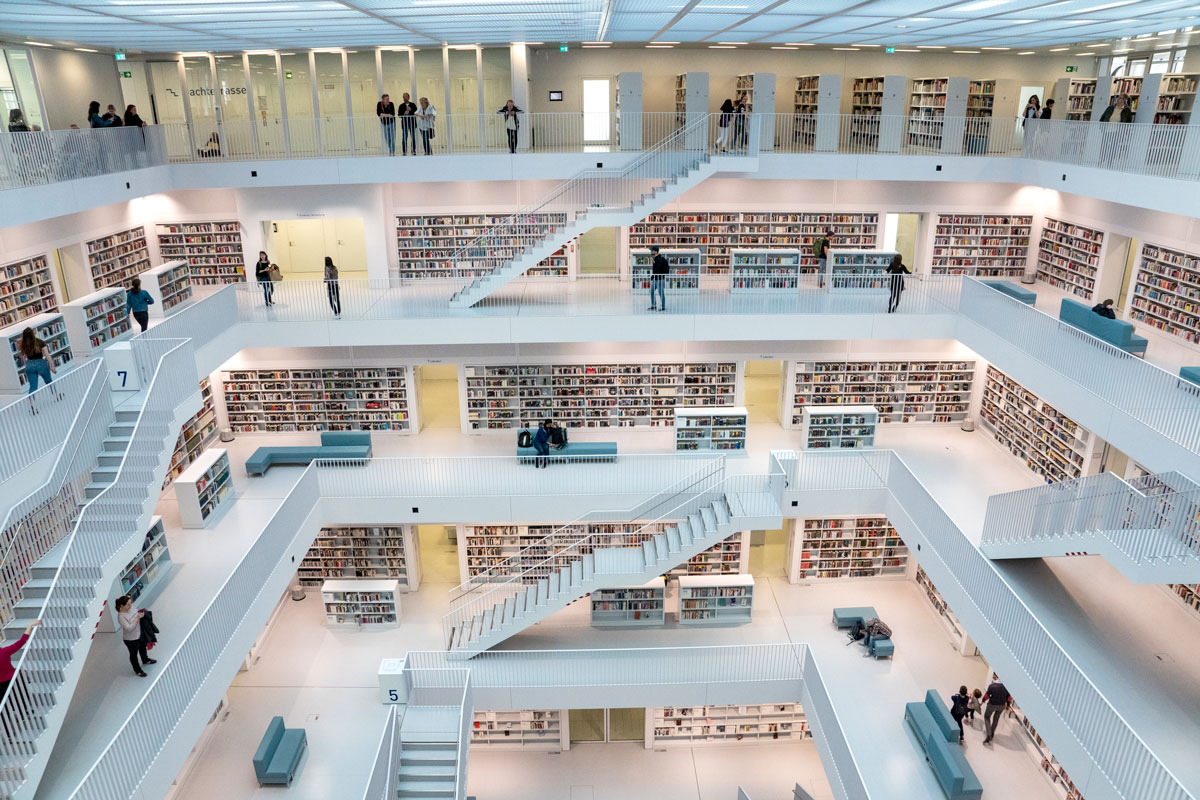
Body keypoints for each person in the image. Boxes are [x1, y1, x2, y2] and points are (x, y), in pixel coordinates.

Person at [0, 619, 41, 713]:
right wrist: (29, 625)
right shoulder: (4, 652)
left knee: (4, 701)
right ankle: (23, 712)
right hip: (13, 680)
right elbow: (22, 641)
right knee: (22, 695)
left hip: (1, 684)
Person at [115, 595, 156, 677]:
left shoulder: (131, 608)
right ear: (121, 606)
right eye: (128, 605)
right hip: (131, 639)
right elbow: (128, 628)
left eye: (130, 603)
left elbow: (136, 612)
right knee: (133, 655)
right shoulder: (121, 617)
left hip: (140, 634)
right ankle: (138, 670)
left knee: (143, 648)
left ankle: (145, 660)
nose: (130, 606)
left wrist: (141, 614)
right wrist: (137, 618)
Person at [18, 327, 57, 404]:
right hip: (40, 363)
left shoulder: (22, 344)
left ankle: (32, 404)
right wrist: (52, 366)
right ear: (33, 333)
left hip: (29, 365)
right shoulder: (40, 342)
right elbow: (47, 355)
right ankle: (56, 395)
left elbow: (19, 347)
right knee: (49, 382)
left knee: (33, 386)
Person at [982, 678, 1009, 745]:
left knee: (987, 717)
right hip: (1001, 706)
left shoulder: (992, 686)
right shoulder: (1007, 687)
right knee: (996, 719)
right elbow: (1009, 698)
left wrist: (983, 700)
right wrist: (1008, 705)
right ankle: (992, 733)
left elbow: (987, 695)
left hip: (992, 705)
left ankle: (988, 735)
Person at [648, 245, 668, 312]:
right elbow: (655, 270)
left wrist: (660, 275)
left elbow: (665, 270)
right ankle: (653, 306)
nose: (651, 252)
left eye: (652, 251)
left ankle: (663, 307)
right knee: (651, 291)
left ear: (656, 252)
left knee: (661, 293)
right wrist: (652, 277)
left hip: (660, 279)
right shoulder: (654, 259)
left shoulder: (661, 260)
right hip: (655, 279)